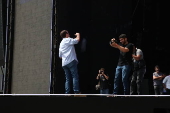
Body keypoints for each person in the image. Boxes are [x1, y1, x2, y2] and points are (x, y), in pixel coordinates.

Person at [59, 30, 81, 94]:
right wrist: (78, 34)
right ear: (66, 34)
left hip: (64, 63)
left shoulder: (61, 43)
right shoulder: (67, 39)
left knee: (67, 79)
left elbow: (60, 56)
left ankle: (67, 93)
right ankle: (76, 91)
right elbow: (77, 40)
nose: (69, 34)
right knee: (75, 76)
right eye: (68, 33)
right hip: (71, 61)